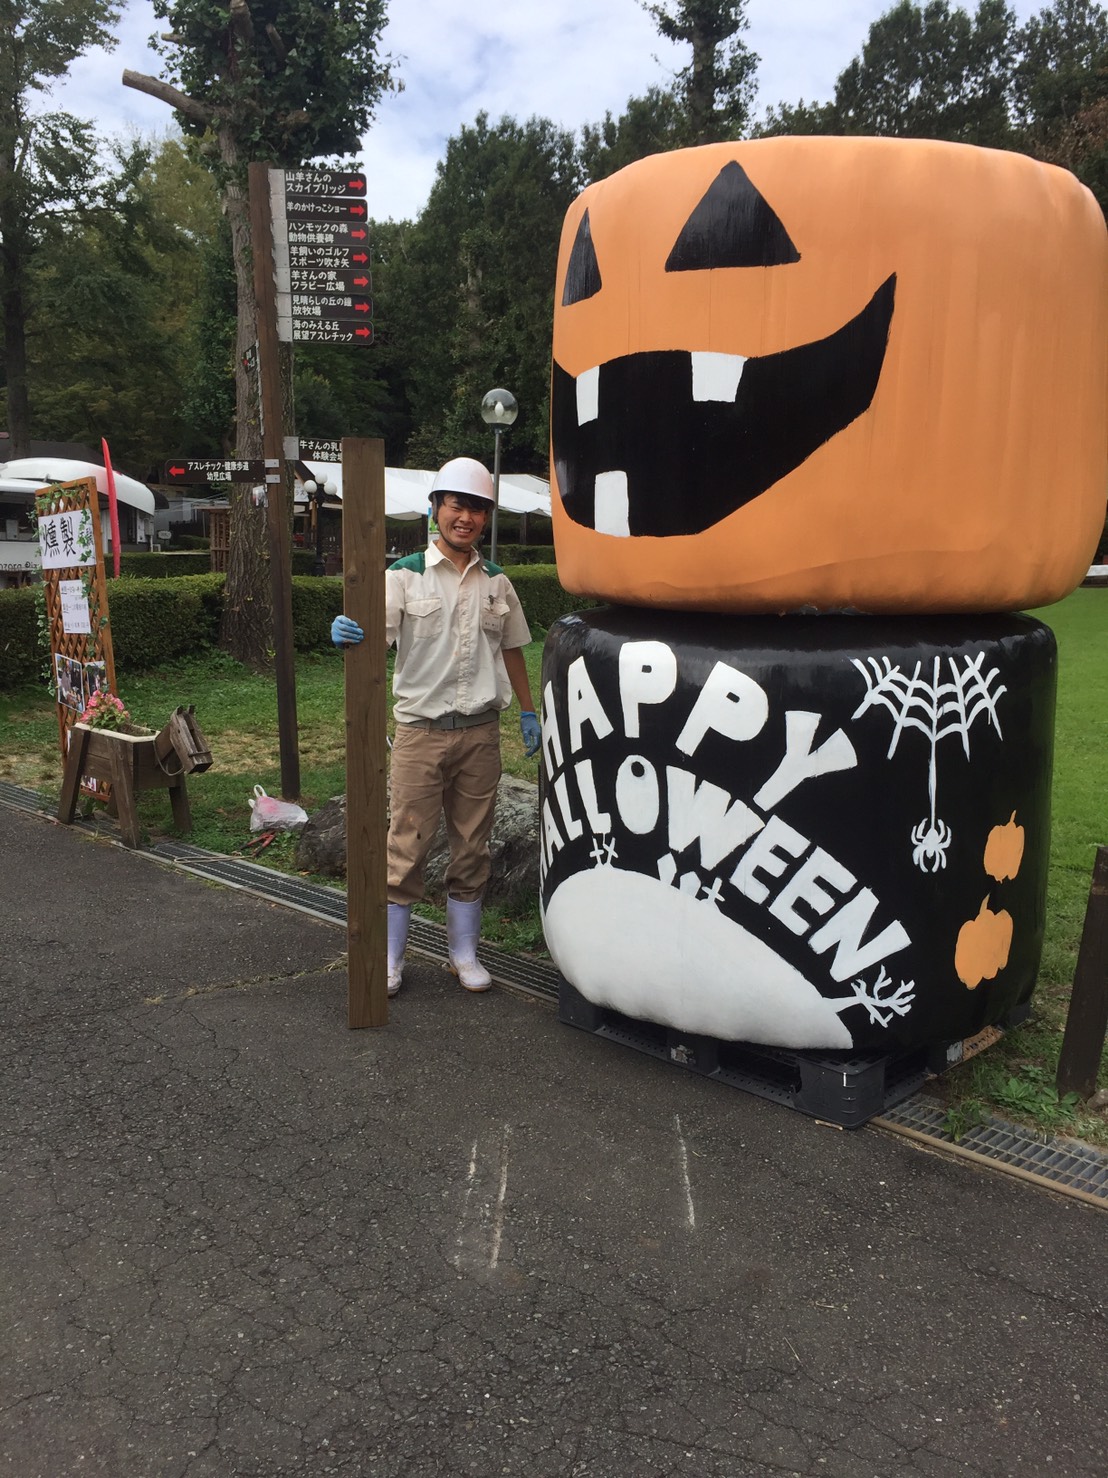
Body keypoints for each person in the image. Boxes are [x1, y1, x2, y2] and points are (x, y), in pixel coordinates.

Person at [331, 456, 541, 997]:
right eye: (456, 506)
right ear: (435, 509)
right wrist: (347, 631)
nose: (465, 517)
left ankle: (463, 954)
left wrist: (527, 710)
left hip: (480, 733)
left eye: (477, 509)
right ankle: (390, 958)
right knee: (406, 844)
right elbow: (371, 638)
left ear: (487, 517)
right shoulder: (402, 576)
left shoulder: (497, 582)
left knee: (473, 846)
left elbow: (513, 648)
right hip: (419, 733)